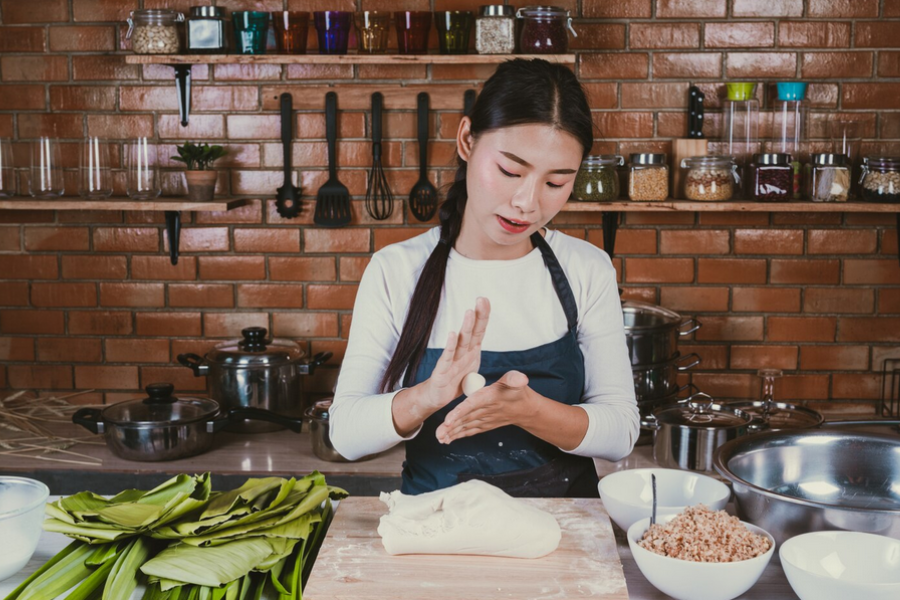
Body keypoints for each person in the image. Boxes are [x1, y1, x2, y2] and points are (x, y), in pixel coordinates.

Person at [331, 58, 638, 498]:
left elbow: (621, 432)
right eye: (511, 171)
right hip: (434, 530)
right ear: (466, 140)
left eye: (556, 182)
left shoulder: (586, 269)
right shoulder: (395, 270)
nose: (526, 203)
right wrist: (427, 396)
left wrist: (528, 410)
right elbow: (345, 434)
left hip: (563, 531)